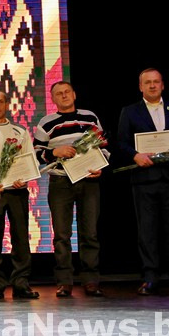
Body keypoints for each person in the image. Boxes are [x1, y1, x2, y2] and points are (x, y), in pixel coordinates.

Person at [117, 69, 169, 296]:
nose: (152, 86)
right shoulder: (129, 111)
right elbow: (121, 143)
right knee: (147, 232)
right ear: (140, 87)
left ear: (162, 85)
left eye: (156, 82)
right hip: (144, 180)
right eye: (147, 82)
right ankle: (150, 278)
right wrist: (135, 156)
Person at [33, 80, 108, 298]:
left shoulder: (90, 117)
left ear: (74, 94)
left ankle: (91, 281)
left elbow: (103, 146)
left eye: (67, 92)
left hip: (89, 180)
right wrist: (55, 152)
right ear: (53, 99)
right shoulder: (46, 122)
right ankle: (64, 282)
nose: (64, 95)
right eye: (59, 93)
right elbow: (36, 154)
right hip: (60, 182)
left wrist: (100, 166)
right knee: (61, 235)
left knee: (90, 233)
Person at [0, 90, 39, 300]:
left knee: (21, 237)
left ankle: (21, 282)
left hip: (17, 191)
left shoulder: (20, 131)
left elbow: (30, 160)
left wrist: (25, 177)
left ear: (7, 104)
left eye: (1, 102)